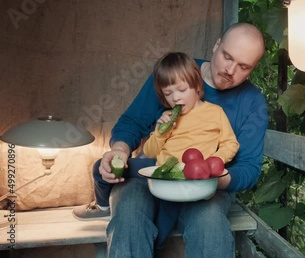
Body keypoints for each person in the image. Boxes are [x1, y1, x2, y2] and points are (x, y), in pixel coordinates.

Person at [81, 22, 267, 258]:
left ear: (253, 68)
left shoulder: (253, 102)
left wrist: (211, 180)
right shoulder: (176, 73)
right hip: (151, 172)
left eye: (243, 66)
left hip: (206, 188)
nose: (230, 70)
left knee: (210, 228)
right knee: (129, 216)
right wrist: (119, 150)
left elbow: (249, 167)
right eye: (227, 56)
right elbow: (133, 122)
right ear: (216, 45)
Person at [73, 52, 240, 220]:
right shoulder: (166, 116)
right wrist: (160, 132)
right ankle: (103, 207)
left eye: (182, 90)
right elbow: (150, 151)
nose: (175, 98)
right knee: (100, 167)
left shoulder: (215, 113)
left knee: (169, 219)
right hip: (161, 172)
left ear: (197, 85)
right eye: (168, 94)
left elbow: (230, 144)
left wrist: (213, 162)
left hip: (194, 175)